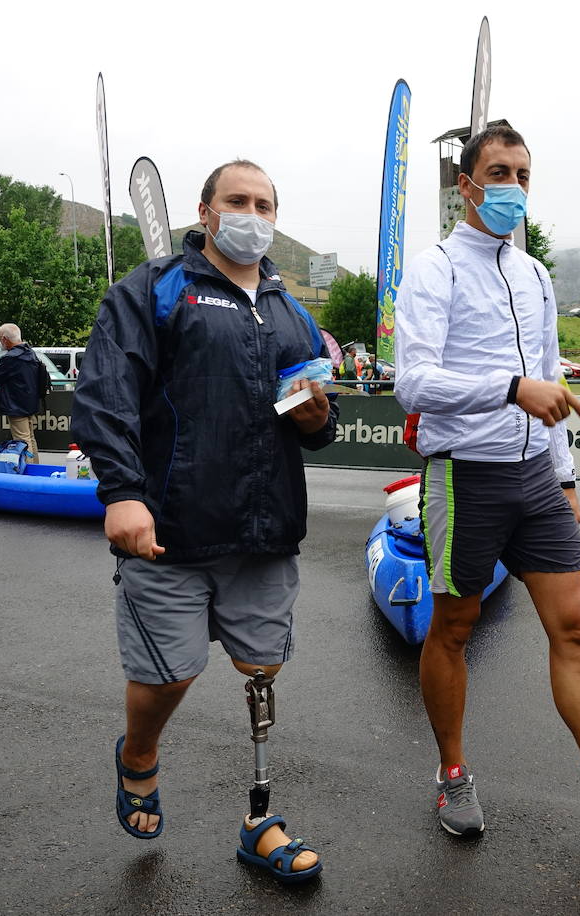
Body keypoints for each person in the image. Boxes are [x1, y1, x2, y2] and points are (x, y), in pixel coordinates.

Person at [395, 125, 580, 842]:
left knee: (577, 627)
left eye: (524, 175)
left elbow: (553, 381)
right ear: (465, 185)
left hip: (536, 478)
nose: (513, 187)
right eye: (498, 173)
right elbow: (413, 383)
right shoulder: (433, 269)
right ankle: (451, 773)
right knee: (454, 630)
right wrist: (509, 390)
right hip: (463, 477)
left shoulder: (534, 276)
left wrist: (563, 474)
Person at [73, 159, 338, 883]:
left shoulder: (291, 308)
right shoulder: (153, 290)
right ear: (206, 210)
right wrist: (122, 491)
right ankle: (138, 754)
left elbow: (316, 420)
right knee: (170, 676)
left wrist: (321, 415)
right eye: (238, 200)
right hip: (170, 533)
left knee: (263, 670)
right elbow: (105, 395)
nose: (252, 213)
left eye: (264, 203)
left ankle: (259, 821)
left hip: (266, 532)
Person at [0, 323, 43, 464]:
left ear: (4, 339)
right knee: (30, 438)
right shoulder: (30, 353)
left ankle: (28, 472)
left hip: (16, 404)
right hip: (31, 402)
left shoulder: (11, 358)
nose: (0, 342)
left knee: (22, 440)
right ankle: (36, 468)